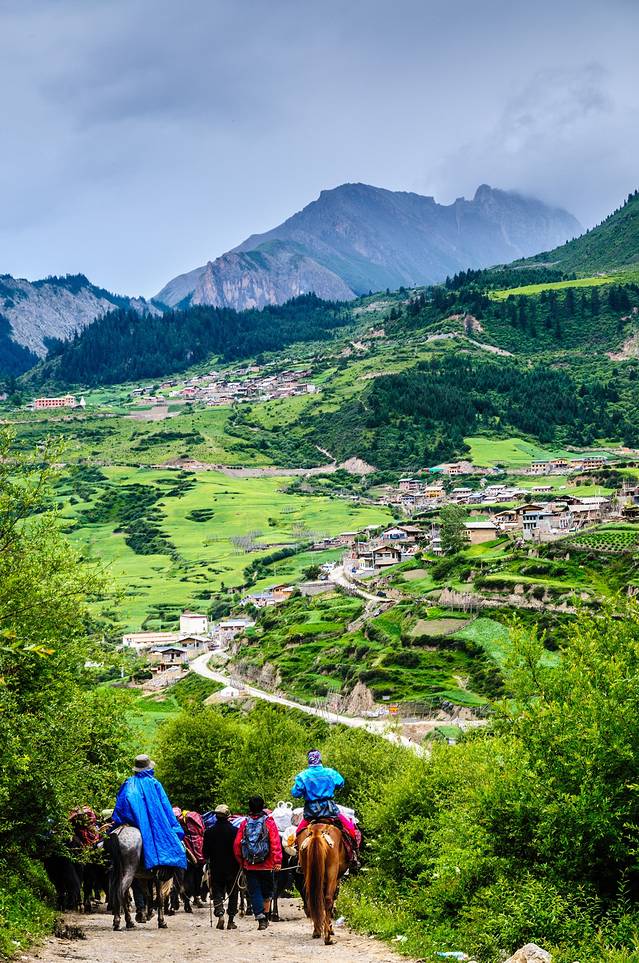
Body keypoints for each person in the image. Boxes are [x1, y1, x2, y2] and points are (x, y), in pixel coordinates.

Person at [110, 754, 187, 873]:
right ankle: (162, 871)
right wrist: (173, 826)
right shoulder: (154, 783)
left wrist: (123, 819)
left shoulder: (128, 783)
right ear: (149, 768)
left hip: (131, 822)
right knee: (174, 847)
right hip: (152, 822)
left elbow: (120, 805)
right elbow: (165, 806)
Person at [291, 750, 361, 867]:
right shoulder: (330, 772)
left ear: (308, 760)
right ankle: (354, 853)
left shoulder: (302, 776)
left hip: (311, 813)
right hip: (329, 810)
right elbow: (341, 783)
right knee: (350, 828)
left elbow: (295, 793)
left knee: (298, 833)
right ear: (320, 759)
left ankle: (299, 859)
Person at [233, 796, 282, 931]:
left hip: (250, 865)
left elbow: (237, 844)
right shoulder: (269, 822)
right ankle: (266, 916)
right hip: (267, 865)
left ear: (250, 807)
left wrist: (242, 861)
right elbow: (275, 842)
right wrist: (277, 861)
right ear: (262, 806)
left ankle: (260, 918)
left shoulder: (244, 823)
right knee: (267, 892)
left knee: (254, 892)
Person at [203, 804, 240, 930]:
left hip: (216, 867)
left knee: (217, 890)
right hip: (233, 867)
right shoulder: (235, 831)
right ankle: (231, 921)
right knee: (233, 892)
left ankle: (220, 913)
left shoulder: (209, 832)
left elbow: (205, 853)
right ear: (228, 815)